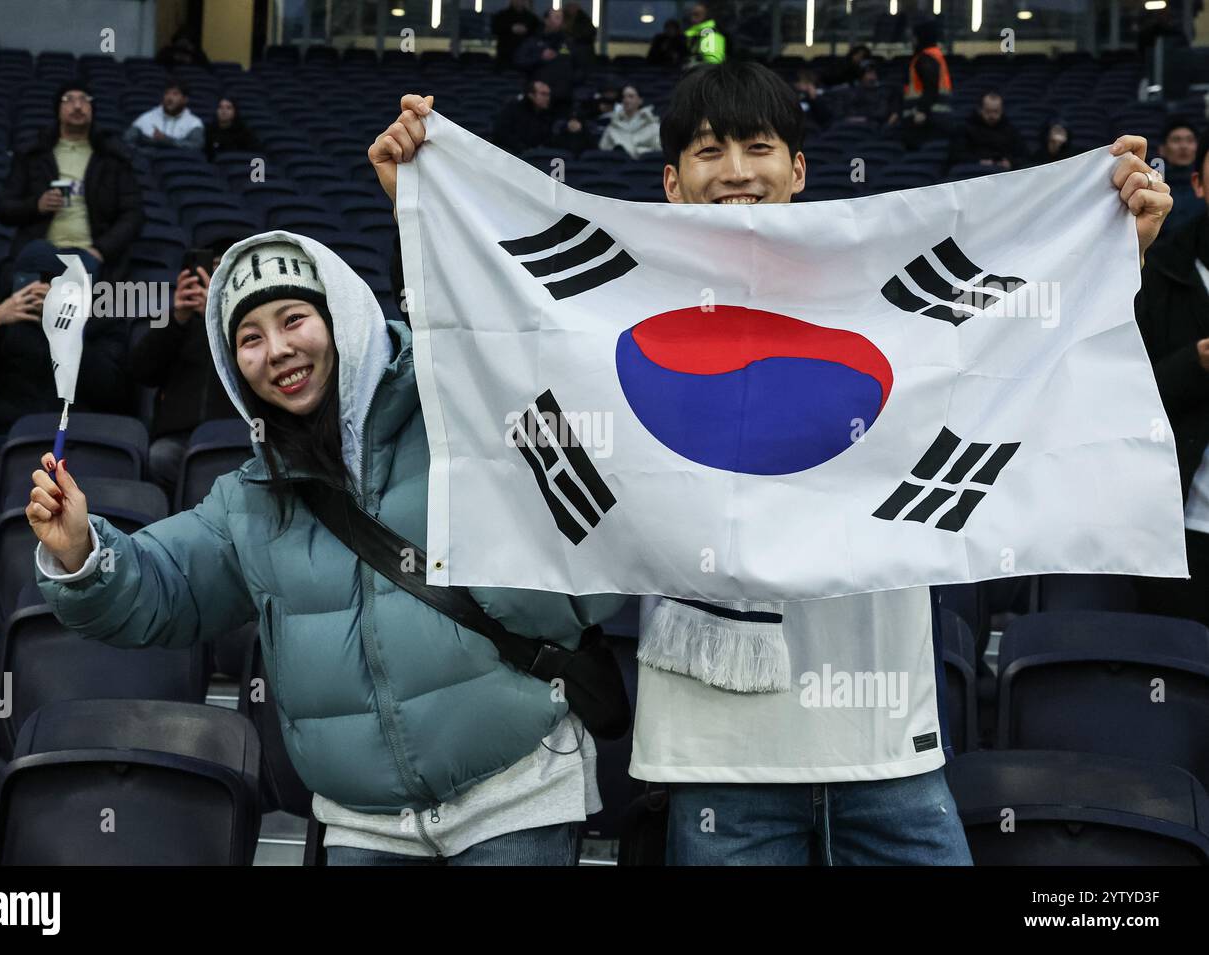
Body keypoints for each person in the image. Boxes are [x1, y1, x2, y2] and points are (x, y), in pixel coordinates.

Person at [367, 65, 1171, 865]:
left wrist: (1110, 251)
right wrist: (419, 203)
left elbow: (1021, 344)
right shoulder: (611, 306)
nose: (739, 171)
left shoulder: (881, 291)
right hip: (717, 754)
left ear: (799, 170)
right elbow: (495, 334)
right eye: (711, 151)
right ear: (672, 182)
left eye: (760, 146)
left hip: (884, 738)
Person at [27, 229, 626, 866]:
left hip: (515, 798)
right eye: (250, 338)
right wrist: (82, 552)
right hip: (362, 829)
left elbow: (582, 525)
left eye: (294, 319)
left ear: (341, 317)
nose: (278, 350)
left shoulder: (456, 411)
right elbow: (164, 583)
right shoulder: (248, 498)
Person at [1132, 133, 1209, 628]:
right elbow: (1128, 393)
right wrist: (1195, 363)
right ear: (1199, 184)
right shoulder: (1161, 271)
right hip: (1187, 526)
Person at [0, 243, 131, 443]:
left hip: (77, 433)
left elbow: (112, 391)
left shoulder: (101, 319)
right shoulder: (10, 313)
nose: (36, 292)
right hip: (12, 430)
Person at [0, 82, 142, 285]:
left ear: (92, 110)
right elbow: (3, 207)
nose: (78, 106)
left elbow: (133, 214)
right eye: (69, 100)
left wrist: (101, 250)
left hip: (89, 253)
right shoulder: (32, 155)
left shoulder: (112, 158)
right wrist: (36, 205)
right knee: (28, 289)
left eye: (84, 100)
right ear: (58, 110)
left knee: (78, 287)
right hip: (41, 249)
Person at [128, 236, 241, 495]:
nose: (211, 276)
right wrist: (178, 316)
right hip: (179, 438)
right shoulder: (175, 321)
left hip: (236, 434)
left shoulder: (249, 323)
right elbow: (142, 370)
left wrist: (217, 318)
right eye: (207, 267)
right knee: (159, 457)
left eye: (222, 269)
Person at [900, 21, 951, 149]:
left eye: (914, 36)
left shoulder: (926, 59)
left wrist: (922, 110)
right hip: (937, 118)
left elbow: (931, 87)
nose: (912, 40)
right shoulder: (934, 56)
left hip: (926, 121)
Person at [515, 9, 576, 113]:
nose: (560, 21)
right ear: (546, 20)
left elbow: (580, 67)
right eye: (556, 17)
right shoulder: (533, 41)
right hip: (538, 98)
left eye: (561, 17)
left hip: (563, 98)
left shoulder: (569, 42)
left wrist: (570, 81)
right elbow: (519, 61)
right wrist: (540, 58)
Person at [948, 91, 1026, 170]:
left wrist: (1010, 163)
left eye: (996, 111)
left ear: (1001, 110)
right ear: (980, 109)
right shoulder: (965, 129)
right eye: (988, 111)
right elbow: (956, 156)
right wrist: (979, 162)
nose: (992, 115)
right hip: (975, 173)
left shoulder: (1010, 130)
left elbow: (1023, 156)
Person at [124, 80, 205, 152]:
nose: (169, 98)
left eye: (175, 94)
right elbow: (127, 140)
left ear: (185, 99)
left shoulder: (194, 123)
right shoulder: (147, 117)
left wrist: (168, 141)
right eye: (167, 93)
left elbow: (196, 146)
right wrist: (141, 152)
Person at [1156, 118, 1200, 240]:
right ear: (1162, 150)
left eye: (1190, 140)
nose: (1184, 146)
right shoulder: (1153, 187)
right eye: (1176, 140)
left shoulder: (1205, 188)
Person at [491, 80, 556, 156]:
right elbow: (502, 133)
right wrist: (523, 149)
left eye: (548, 95)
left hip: (531, 155)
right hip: (507, 154)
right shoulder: (512, 108)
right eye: (543, 94)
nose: (547, 98)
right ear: (531, 95)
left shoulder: (547, 115)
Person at [598, 85, 661, 159]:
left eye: (631, 96)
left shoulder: (653, 126)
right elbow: (603, 151)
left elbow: (658, 152)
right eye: (624, 97)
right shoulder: (612, 126)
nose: (626, 100)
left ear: (640, 100)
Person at [840, 59, 899, 128]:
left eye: (874, 73)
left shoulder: (887, 90)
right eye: (869, 73)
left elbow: (894, 114)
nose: (872, 76)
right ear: (860, 75)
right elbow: (844, 115)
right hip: (854, 128)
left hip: (878, 129)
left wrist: (886, 128)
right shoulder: (849, 91)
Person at [205, 97, 262, 162]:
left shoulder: (244, 133)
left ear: (235, 111)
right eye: (220, 107)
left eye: (228, 108)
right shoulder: (209, 131)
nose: (224, 111)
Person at [491, 0, 540, 70]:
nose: (519, 1)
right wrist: (510, 28)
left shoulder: (532, 18)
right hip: (505, 56)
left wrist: (526, 30)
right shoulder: (501, 16)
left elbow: (537, 34)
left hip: (526, 59)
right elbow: (495, 29)